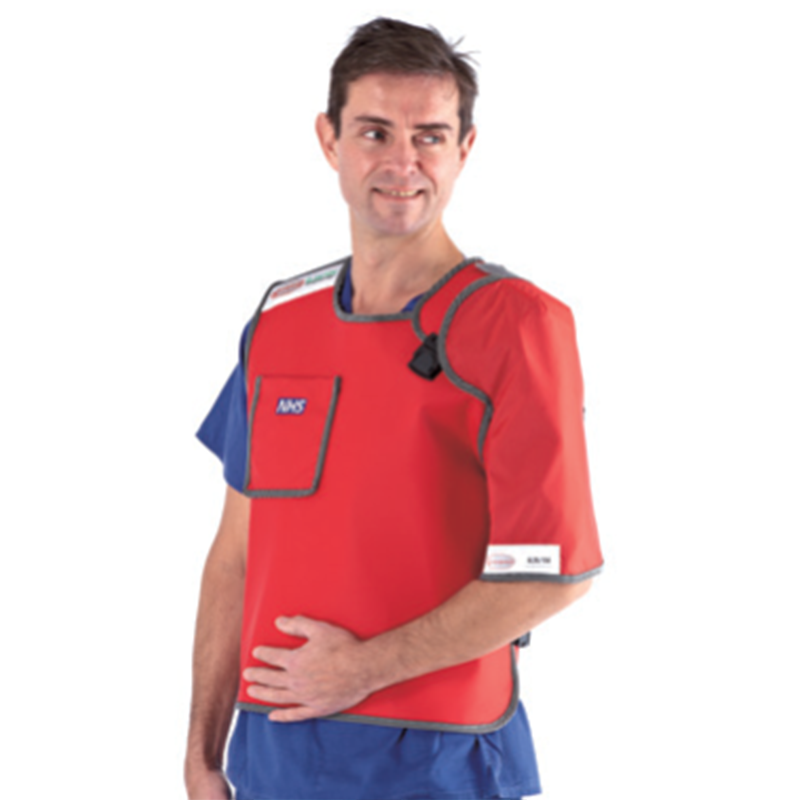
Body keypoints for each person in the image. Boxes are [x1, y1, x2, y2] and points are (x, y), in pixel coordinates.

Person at [185, 17, 603, 800]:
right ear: (330, 139)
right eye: (375, 132)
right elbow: (235, 554)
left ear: (464, 149)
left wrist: (364, 668)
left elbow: (552, 573)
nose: (402, 163)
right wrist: (202, 754)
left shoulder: (517, 326)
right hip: (274, 759)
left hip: (439, 762)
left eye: (430, 136)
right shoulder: (279, 323)